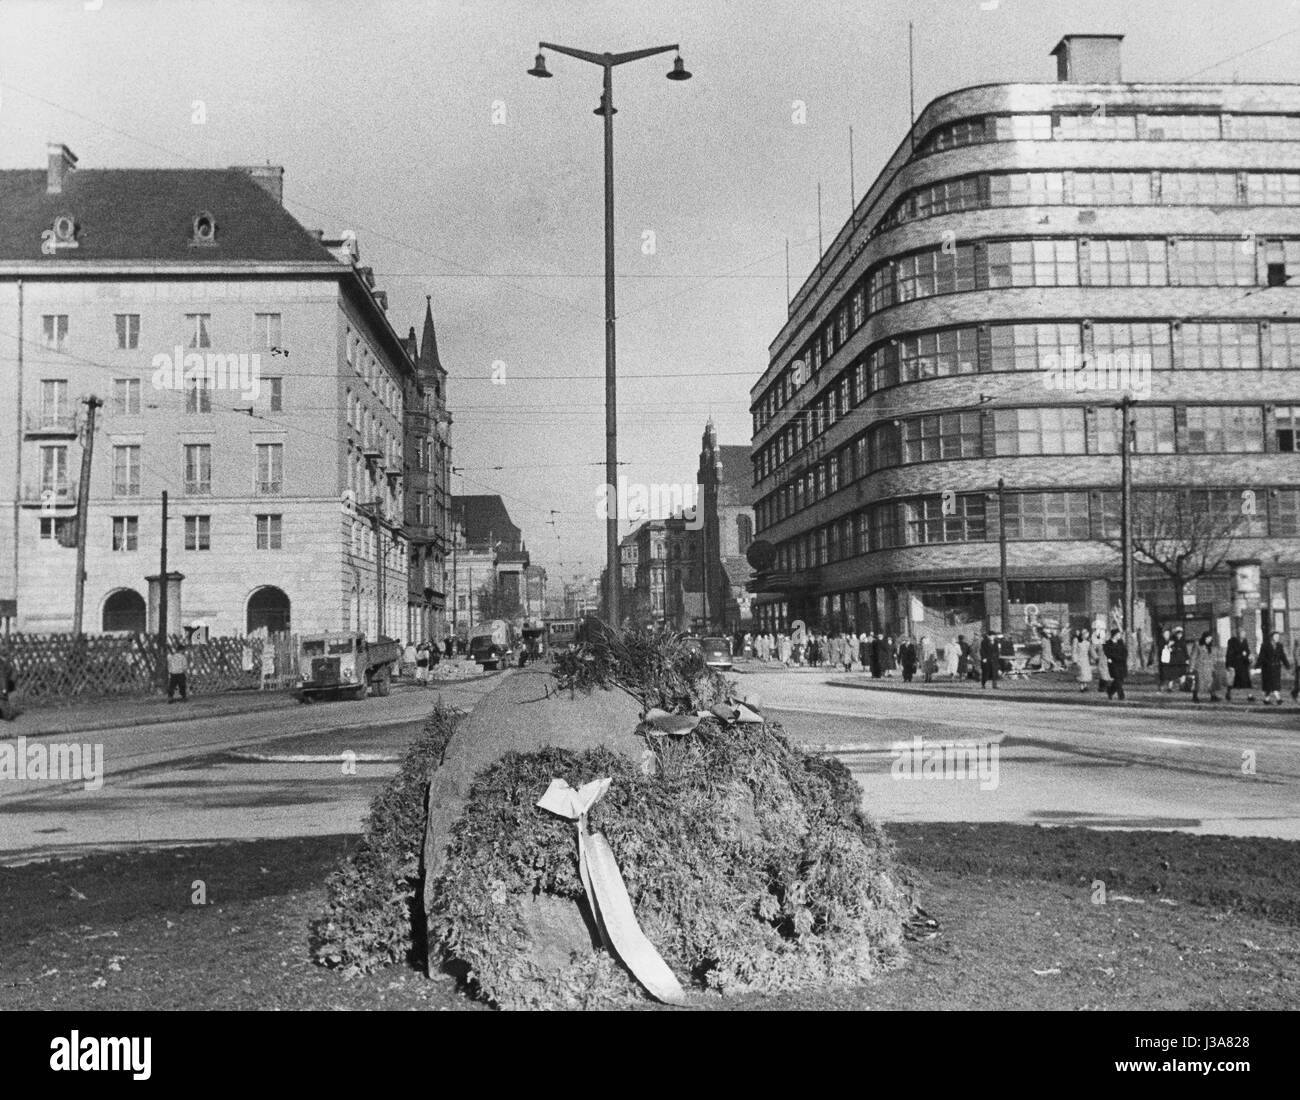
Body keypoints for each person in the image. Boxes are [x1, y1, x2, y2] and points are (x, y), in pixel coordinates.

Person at [1255, 630, 1291, 705]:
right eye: (1276, 636)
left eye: (1278, 636)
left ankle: (1266, 699)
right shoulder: (1265, 645)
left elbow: (1282, 656)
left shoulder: (1279, 646)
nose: (1277, 638)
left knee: (1274, 684)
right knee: (1271, 684)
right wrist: (1257, 665)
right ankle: (1278, 699)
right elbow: (1261, 656)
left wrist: (1287, 665)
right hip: (1267, 668)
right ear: (1272, 637)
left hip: (1276, 668)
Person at [1190, 631, 1224, 704]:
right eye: (1208, 638)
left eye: (1210, 638)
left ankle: (1213, 696)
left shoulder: (1210, 646)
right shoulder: (1197, 644)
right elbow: (1193, 656)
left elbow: (1212, 656)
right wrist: (1191, 667)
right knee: (1198, 683)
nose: (1209, 640)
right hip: (1200, 667)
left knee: (1211, 682)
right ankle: (1195, 696)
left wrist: (1214, 665)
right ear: (1204, 637)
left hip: (1209, 667)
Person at [1226, 627, 1254, 702]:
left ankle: (1250, 696)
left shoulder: (1245, 641)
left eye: (1244, 632)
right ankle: (1228, 693)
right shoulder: (1232, 641)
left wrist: (1249, 656)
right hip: (1235, 664)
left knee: (1247, 681)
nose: (1244, 634)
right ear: (1238, 634)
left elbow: (1247, 650)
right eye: (1242, 633)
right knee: (1233, 681)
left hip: (1244, 664)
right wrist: (1229, 665)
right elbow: (1229, 653)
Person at [1102, 628, 1128, 700]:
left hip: (1122, 663)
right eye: (1118, 634)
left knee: (1121, 679)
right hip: (1114, 663)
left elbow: (1125, 651)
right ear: (1115, 635)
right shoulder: (1108, 643)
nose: (1119, 635)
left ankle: (1110, 691)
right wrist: (1111, 658)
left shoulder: (1121, 642)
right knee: (1117, 679)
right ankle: (1121, 695)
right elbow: (1107, 652)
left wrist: (1124, 658)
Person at [1167, 628, 1190, 693]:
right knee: (1172, 674)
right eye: (1178, 634)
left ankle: (1182, 686)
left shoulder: (1183, 641)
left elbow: (1185, 651)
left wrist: (1187, 659)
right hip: (1174, 660)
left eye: (1180, 634)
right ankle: (1170, 687)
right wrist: (1170, 647)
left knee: (1182, 673)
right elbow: (1168, 649)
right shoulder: (1172, 641)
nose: (1179, 635)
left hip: (1182, 660)